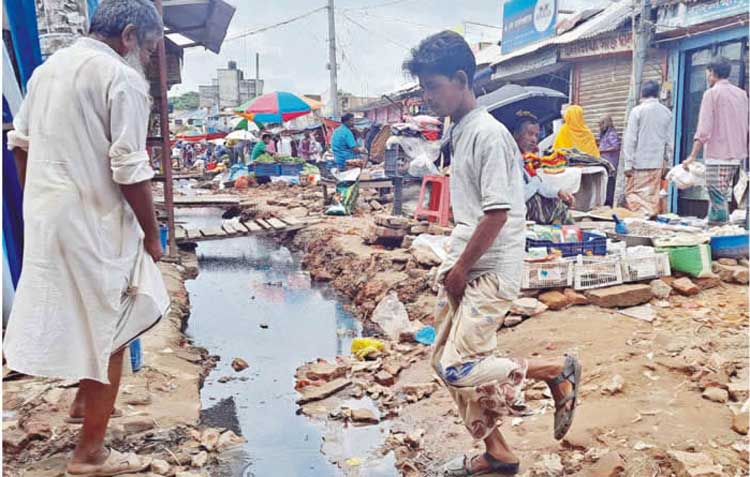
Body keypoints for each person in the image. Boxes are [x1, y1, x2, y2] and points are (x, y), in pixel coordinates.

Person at [403, 30, 581, 477]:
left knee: (460, 366)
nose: (426, 97)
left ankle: (556, 370)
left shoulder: (488, 134)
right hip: (463, 263)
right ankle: (499, 453)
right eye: (422, 87)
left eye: (432, 86)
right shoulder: (458, 130)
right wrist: (454, 264)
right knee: (442, 362)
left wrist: (461, 268)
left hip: (488, 270)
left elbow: (497, 213)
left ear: (461, 79)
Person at [4, 1, 170, 474]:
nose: (149, 56)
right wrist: (152, 236)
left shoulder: (47, 71)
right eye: (151, 46)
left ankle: (84, 405)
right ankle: (90, 452)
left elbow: (21, 145)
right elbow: (130, 168)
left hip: (49, 214)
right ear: (131, 36)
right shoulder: (123, 79)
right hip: (94, 219)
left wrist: (37, 206)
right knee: (113, 327)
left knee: (87, 310)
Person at [684, 56, 750, 225]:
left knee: (717, 199)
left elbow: (704, 129)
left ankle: (722, 235)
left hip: (717, 156)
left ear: (712, 73)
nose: (707, 76)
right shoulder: (742, 95)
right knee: (719, 198)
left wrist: (692, 156)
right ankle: (716, 231)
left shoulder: (711, 94)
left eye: (708, 72)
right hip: (737, 156)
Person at [622, 80, 673, 216]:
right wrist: (668, 164)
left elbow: (630, 139)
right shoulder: (666, 112)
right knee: (651, 199)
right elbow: (669, 141)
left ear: (642, 93)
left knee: (634, 198)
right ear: (656, 93)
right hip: (656, 164)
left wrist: (628, 164)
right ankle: (649, 222)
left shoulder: (637, 111)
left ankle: (642, 224)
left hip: (638, 164)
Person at [513, 117, 576, 225]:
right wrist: (536, 182)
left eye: (536, 135)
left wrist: (558, 192)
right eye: (529, 134)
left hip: (522, 204)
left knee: (556, 200)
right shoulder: (512, 159)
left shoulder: (524, 159)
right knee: (547, 203)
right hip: (514, 208)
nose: (534, 139)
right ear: (516, 135)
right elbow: (520, 196)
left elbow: (537, 184)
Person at [598, 115, 621, 206]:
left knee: (610, 182)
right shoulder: (604, 133)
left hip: (610, 161)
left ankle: (609, 202)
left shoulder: (611, 133)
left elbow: (616, 147)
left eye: (601, 123)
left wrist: (602, 150)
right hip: (605, 161)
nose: (599, 126)